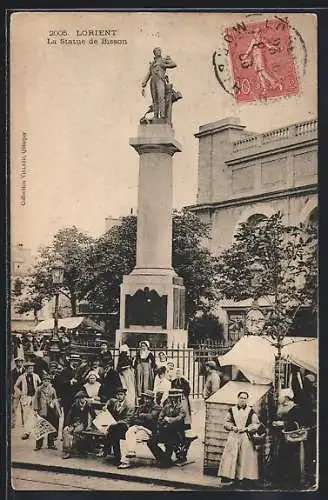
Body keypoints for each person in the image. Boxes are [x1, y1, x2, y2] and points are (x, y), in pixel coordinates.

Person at [218, 391, 261, 488]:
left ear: (247, 400)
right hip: (234, 436)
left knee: (245, 457)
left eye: (245, 398)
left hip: (245, 437)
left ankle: (244, 478)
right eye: (241, 397)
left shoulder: (250, 411)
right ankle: (230, 477)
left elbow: (256, 424)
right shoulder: (232, 410)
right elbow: (226, 422)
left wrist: (247, 428)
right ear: (238, 398)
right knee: (231, 457)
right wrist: (232, 427)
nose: (243, 400)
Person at [118, 389, 162, 469]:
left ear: (152, 399)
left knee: (132, 438)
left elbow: (151, 417)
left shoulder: (157, 407)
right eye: (145, 398)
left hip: (149, 430)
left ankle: (125, 461)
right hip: (138, 427)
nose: (146, 400)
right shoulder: (142, 407)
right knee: (129, 432)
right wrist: (142, 418)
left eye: (148, 398)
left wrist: (141, 416)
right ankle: (131, 452)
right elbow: (134, 418)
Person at [272, 388, 305, 489]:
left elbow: (298, 423)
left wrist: (284, 424)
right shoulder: (279, 407)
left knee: (291, 458)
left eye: (280, 396)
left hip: (291, 438)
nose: (278, 398)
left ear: (286, 397)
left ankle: (293, 482)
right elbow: (276, 418)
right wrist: (275, 423)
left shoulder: (295, 408)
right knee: (281, 457)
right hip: (281, 437)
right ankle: (280, 481)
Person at [150, 389, 187, 467]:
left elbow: (180, 418)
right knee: (151, 441)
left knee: (169, 442)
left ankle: (166, 460)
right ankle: (163, 458)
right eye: (171, 397)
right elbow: (160, 418)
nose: (172, 399)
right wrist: (165, 421)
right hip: (164, 430)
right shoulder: (166, 406)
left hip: (177, 432)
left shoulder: (182, 407)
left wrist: (169, 419)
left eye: (175, 397)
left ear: (178, 398)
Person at [141, 47, 177, 120]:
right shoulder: (152, 64)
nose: (159, 52)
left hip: (160, 80)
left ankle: (162, 116)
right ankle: (156, 116)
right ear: (154, 53)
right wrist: (144, 81)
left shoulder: (163, 60)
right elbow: (149, 73)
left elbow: (174, 64)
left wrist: (164, 65)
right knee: (154, 99)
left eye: (159, 51)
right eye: (157, 51)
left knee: (161, 97)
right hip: (153, 81)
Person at [103, 387, 134, 466]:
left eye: (121, 395)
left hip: (125, 427)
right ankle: (116, 457)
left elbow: (128, 419)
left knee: (112, 431)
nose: (119, 396)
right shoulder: (116, 402)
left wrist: (115, 423)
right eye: (118, 395)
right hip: (116, 428)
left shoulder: (129, 405)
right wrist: (106, 406)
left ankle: (106, 449)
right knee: (114, 434)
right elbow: (110, 400)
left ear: (124, 395)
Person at [62, 391, 97, 459]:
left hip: (83, 423)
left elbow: (94, 415)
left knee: (76, 432)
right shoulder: (75, 405)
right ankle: (67, 451)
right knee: (66, 431)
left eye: (83, 398)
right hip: (74, 423)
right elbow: (69, 415)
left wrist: (92, 425)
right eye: (80, 398)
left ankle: (76, 449)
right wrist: (67, 425)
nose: (82, 400)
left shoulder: (89, 406)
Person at [33, 373, 61, 450]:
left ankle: (51, 444)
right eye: (45, 380)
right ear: (42, 381)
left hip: (51, 411)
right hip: (42, 410)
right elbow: (35, 400)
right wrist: (35, 410)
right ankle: (38, 445)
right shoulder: (39, 389)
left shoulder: (52, 389)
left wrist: (53, 403)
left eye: (48, 381)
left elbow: (55, 399)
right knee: (40, 428)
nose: (46, 382)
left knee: (51, 427)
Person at [14, 361, 41, 440]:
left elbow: (40, 385)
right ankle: (26, 433)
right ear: (26, 369)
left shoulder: (36, 376)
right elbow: (15, 386)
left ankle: (37, 432)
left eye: (32, 368)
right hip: (26, 398)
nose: (31, 370)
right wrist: (21, 393)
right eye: (29, 368)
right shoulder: (21, 377)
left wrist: (39, 394)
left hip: (34, 398)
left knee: (35, 415)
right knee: (26, 415)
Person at [11, 356, 25, 428]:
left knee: (24, 407)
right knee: (14, 407)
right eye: (17, 362)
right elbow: (10, 383)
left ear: (22, 363)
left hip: (23, 391)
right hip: (15, 391)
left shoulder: (25, 371)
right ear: (15, 363)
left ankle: (24, 422)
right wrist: (12, 392)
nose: (19, 363)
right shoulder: (12, 372)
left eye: (20, 362)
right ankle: (13, 422)